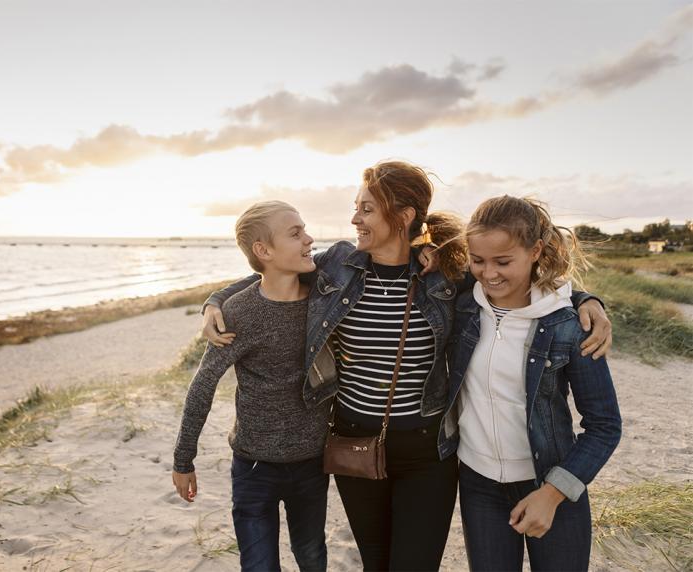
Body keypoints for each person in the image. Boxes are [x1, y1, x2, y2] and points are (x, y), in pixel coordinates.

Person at [202, 160, 613, 571]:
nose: (354, 218)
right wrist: (216, 300)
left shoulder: (446, 274)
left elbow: (524, 282)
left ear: (403, 217)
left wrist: (583, 299)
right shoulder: (338, 266)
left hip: (426, 453)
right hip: (354, 445)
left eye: (366, 209)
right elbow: (273, 274)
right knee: (376, 564)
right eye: (356, 207)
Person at [438, 196, 622, 571]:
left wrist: (553, 494)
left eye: (503, 262)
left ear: (535, 250)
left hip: (552, 482)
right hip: (479, 485)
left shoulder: (569, 326)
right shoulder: (463, 306)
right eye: (478, 260)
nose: (488, 274)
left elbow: (604, 426)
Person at [172, 200, 331, 572]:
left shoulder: (325, 298)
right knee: (258, 566)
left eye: (305, 229)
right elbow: (203, 386)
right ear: (263, 250)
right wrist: (183, 459)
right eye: (295, 233)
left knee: (311, 557)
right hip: (254, 467)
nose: (309, 239)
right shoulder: (240, 313)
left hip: (312, 464)